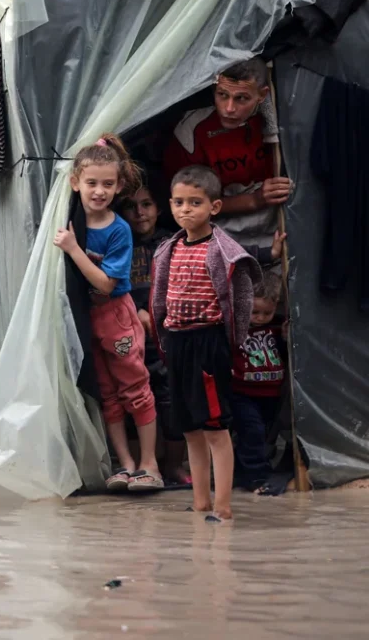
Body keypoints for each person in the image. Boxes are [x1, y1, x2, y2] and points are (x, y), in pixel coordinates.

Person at [152, 165, 261, 521]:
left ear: (214, 207)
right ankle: (200, 501)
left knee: (215, 426)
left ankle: (223, 506)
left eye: (195, 202)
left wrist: (232, 344)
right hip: (178, 342)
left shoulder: (222, 250)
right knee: (189, 428)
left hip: (208, 343)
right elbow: (160, 298)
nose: (185, 209)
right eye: (179, 202)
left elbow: (241, 301)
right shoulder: (169, 249)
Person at [53, 136, 162, 492]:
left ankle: (150, 464)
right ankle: (125, 464)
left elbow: (105, 283)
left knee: (135, 388)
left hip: (115, 316)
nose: (99, 191)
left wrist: (73, 249)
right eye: (92, 183)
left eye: (107, 184)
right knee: (107, 394)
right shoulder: (70, 218)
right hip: (88, 319)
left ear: (118, 187)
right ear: (75, 183)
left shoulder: (119, 230)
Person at [162, 58, 291, 252]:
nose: (229, 108)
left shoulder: (281, 120)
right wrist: (254, 200)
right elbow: (185, 204)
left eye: (242, 98)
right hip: (218, 241)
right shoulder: (191, 130)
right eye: (222, 95)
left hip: (279, 234)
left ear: (262, 95)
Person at [121, 185, 189, 486]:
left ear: (159, 208)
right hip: (130, 332)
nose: (140, 213)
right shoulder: (118, 240)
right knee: (134, 400)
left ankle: (173, 466)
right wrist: (135, 309)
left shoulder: (173, 241)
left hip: (169, 334)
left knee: (172, 400)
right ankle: (143, 466)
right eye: (131, 206)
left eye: (147, 204)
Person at [231, 270, 288, 496]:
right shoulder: (235, 327)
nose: (260, 317)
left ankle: (242, 472)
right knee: (252, 431)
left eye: (267, 313)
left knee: (260, 436)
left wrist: (285, 338)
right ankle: (257, 478)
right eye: (254, 312)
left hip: (271, 393)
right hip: (242, 392)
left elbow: (283, 354)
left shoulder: (278, 327)